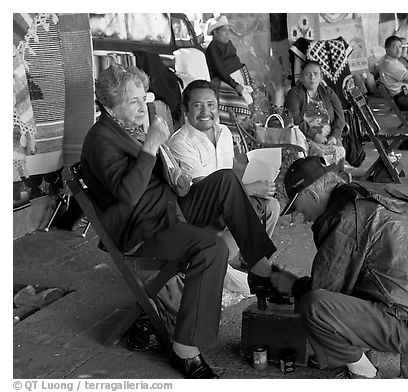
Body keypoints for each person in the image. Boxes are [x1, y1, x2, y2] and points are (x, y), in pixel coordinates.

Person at [80, 64, 277, 379]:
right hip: (143, 226)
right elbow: (129, 194)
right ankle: (185, 350)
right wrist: (150, 145)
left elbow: (156, 175)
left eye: (141, 97)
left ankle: (260, 269)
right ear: (107, 104)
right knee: (211, 249)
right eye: (131, 101)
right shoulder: (100, 139)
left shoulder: (128, 127)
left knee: (226, 180)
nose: (141, 106)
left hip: (167, 208)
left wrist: (173, 170)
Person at [270, 156, 408, 379]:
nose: (301, 217)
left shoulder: (346, 218)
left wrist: (292, 285)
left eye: (298, 208)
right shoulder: (356, 197)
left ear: (312, 195)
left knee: (314, 307)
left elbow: (326, 289)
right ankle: (346, 351)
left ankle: (366, 375)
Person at [167, 79, 280, 257]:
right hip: (201, 213)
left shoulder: (224, 132)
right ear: (185, 109)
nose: (206, 112)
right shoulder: (179, 142)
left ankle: (248, 260)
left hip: (228, 204)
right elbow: (206, 188)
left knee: (271, 205)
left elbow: (231, 168)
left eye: (211, 105)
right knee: (242, 196)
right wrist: (251, 189)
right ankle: (227, 261)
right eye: (198, 105)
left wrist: (260, 175)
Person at [285, 60, 347, 169]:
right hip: (305, 137)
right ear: (301, 77)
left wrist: (334, 136)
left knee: (339, 150)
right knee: (319, 156)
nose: (312, 77)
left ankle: (337, 182)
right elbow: (295, 118)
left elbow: (340, 116)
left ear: (321, 77)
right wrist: (315, 136)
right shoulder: (294, 94)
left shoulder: (328, 92)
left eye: (315, 74)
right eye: (308, 74)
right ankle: (321, 184)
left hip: (329, 138)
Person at [204, 15, 253, 120]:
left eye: (228, 30)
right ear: (215, 33)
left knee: (251, 102)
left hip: (239, 76)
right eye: (223, 31)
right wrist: (235, 85)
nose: (227, 34)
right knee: (245, 106)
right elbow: (220, 70)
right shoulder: (212, 48)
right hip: (227, 81)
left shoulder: (228, 43)